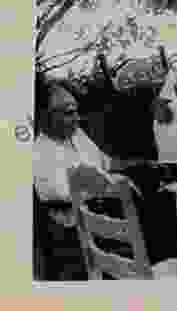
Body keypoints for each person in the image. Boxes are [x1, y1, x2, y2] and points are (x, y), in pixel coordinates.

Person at [33, 80, 128, 280]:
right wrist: (109, 184)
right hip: (73, 237)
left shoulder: (76, 135)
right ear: (44, 117)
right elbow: (63, 194)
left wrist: (139, 168)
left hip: (103, 221)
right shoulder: (39, 153)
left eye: (76, 111)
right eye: (69, 112)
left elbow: (105, 162)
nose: (77, 119)